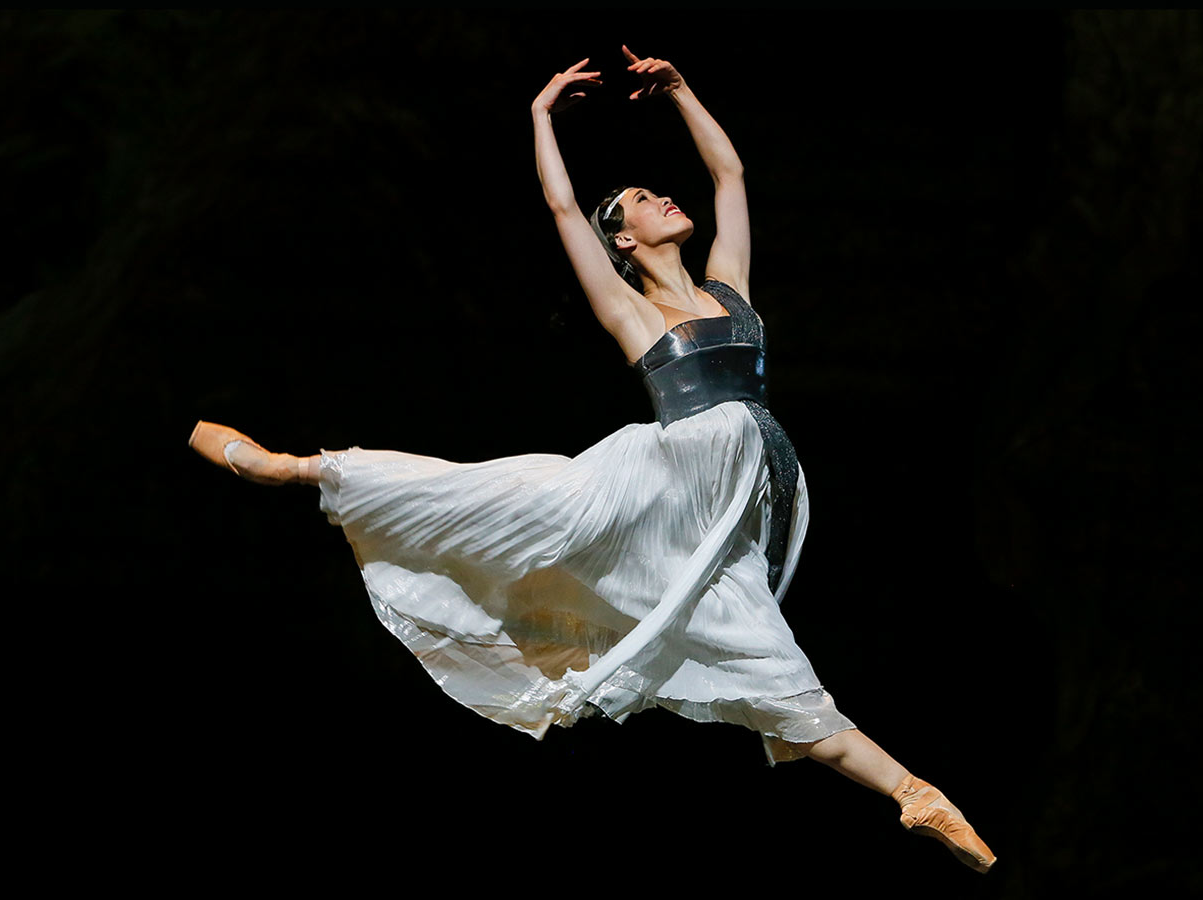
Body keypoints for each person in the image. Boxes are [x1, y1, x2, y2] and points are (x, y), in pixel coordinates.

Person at [188, 47, 995, 873]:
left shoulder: (729, 290)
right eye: (644, 199)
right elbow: (563, 207)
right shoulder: (632, 313)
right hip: (650, 485)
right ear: (625, 236)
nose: (663, 197)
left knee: (771, 663)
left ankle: (913, 794)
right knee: (513, 501)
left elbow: (731, 175)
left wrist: (681, 92)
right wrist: (541, 116)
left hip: (721, 519)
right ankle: (298, 469)